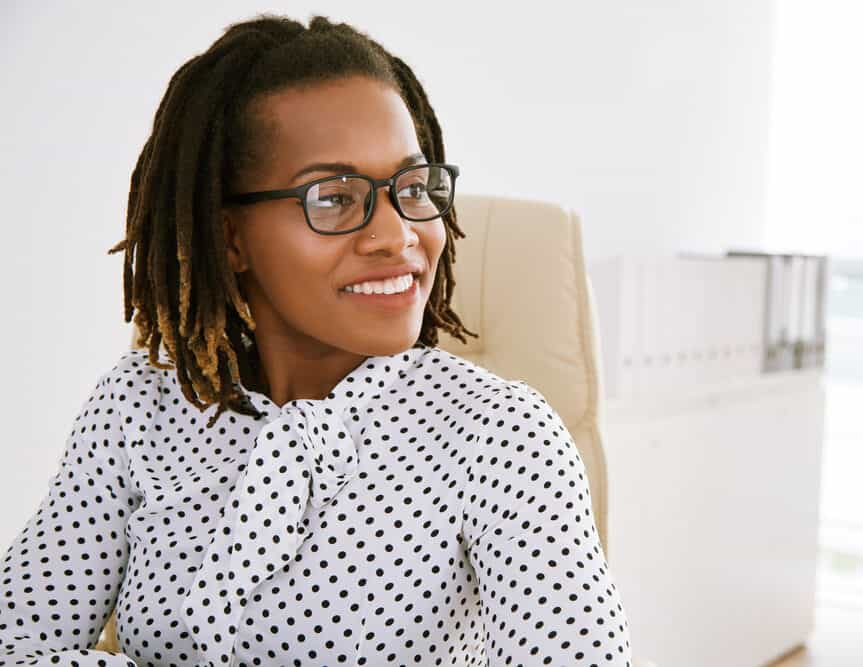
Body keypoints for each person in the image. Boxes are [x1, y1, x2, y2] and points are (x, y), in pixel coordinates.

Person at [0, 13, 633, 666]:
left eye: (414, 188)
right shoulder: (139, 406)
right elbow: (14, 640)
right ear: (231, 237)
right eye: (333, 197)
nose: (397, 235)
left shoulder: (501, 432)